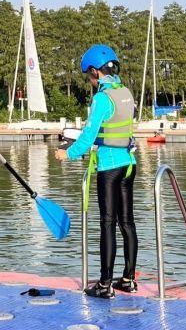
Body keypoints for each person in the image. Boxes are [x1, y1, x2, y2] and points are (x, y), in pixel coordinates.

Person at [55, 44, 138, 298]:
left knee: (107, 224)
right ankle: (128, 280)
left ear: (95, 71)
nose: (90, 81)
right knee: (127, 223)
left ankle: (104, 285)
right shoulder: (125, 92)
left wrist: (67, 154)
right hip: (129, 164)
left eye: (88, 76)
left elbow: (88, 136)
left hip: (110, 167)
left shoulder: (102, 98)